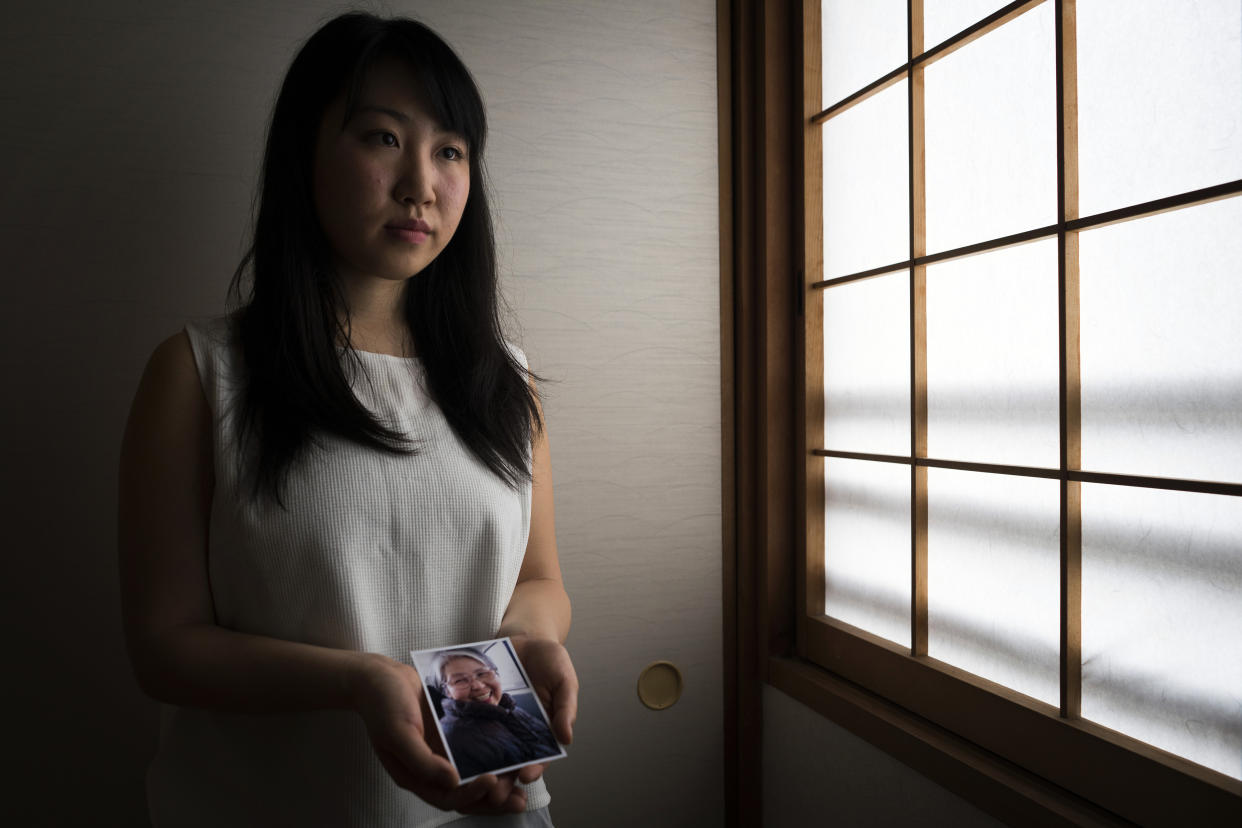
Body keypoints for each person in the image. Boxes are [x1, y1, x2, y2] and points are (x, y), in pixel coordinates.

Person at [117, 12, 576, 827]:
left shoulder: (504, 381)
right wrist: (356, 681)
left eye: (450, 151)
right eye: (382, 139)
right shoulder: (199, 375)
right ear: (305, 152)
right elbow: (165, 646)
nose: (422, 186)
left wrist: (527, 645)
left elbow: (538, 581)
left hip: (496, 806)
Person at [431, 649, 562, 781]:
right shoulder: (451, 736)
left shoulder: (511, 708)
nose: (478, 685)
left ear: (497, 674)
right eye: (459, 681)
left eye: (482, 673)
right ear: (447, 692)